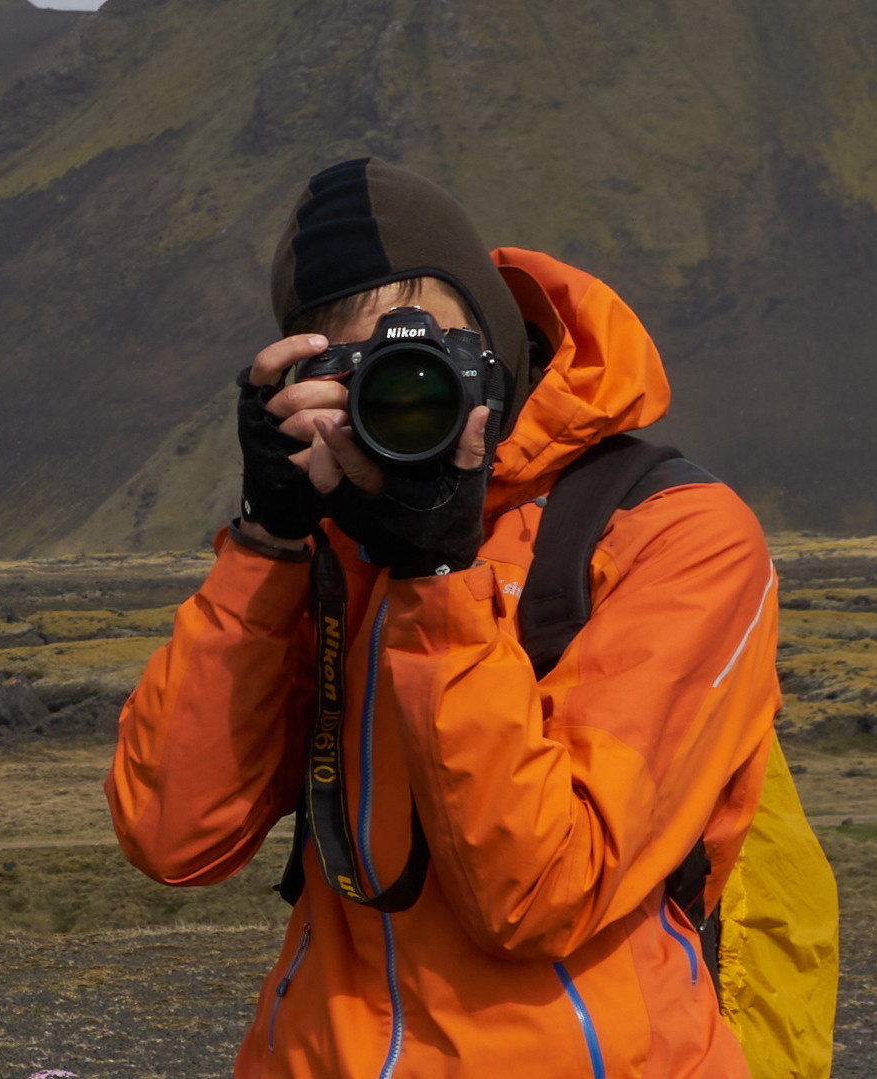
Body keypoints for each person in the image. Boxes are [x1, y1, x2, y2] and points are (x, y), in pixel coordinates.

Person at [105, 157, 782, 1078]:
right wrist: (266, 539)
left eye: (431, 356)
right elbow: (172, 835)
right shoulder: (329, 537)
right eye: (360, 370)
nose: (405, 397)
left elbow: (541, 893)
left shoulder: (676, 532)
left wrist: (439, 574)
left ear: (498, 337)